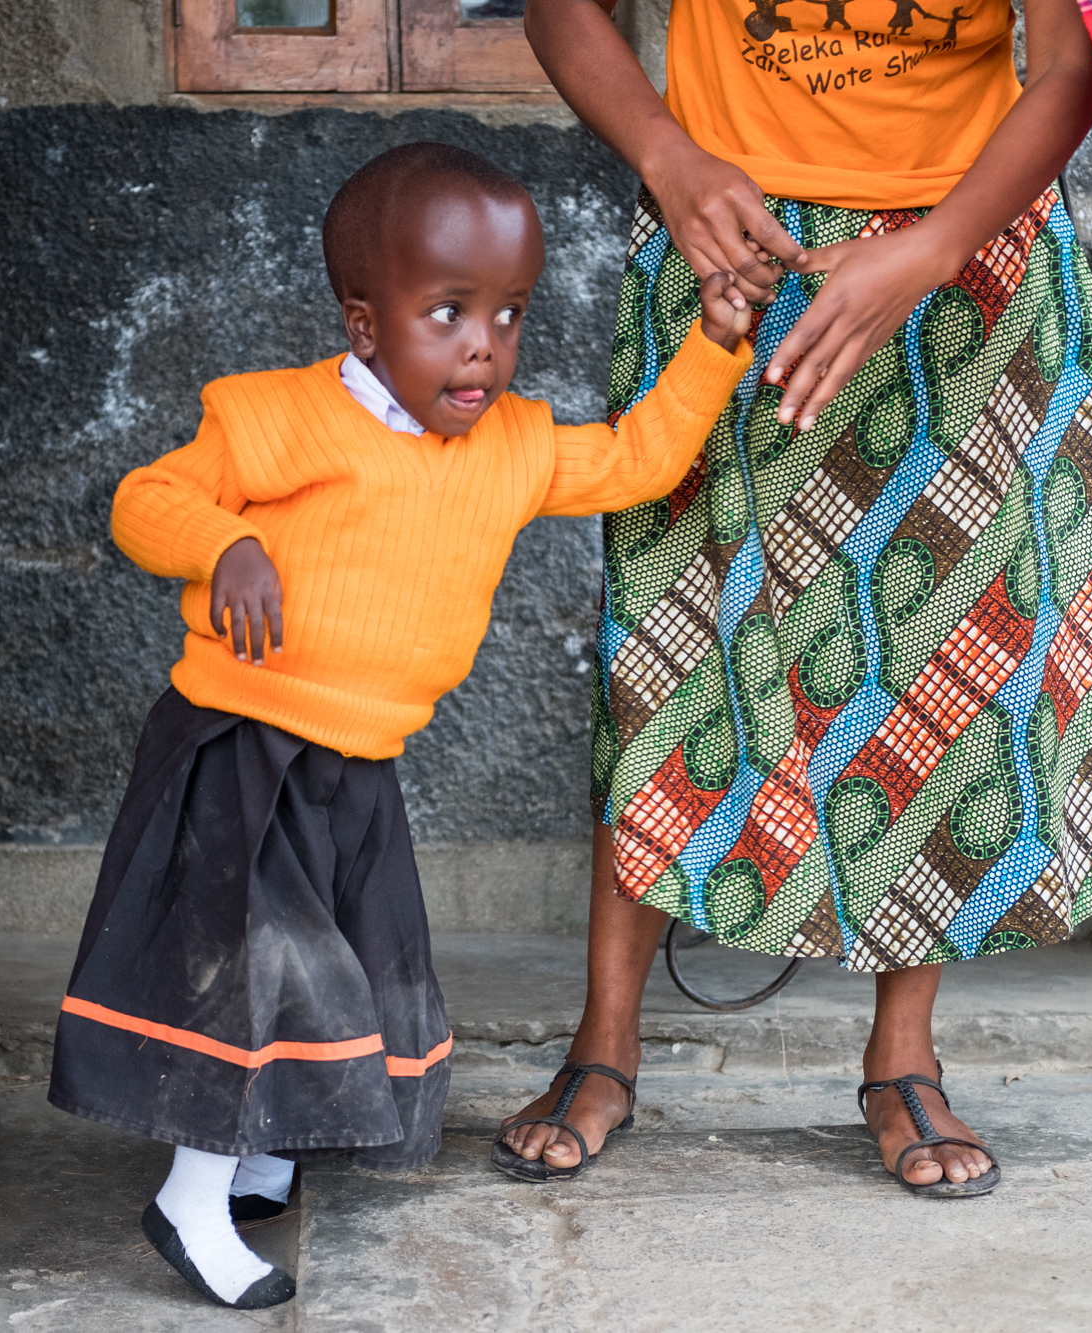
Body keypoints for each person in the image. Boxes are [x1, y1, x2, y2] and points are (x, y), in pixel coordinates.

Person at [495, 0, 1092, 1196]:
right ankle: (605, 1040)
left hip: (966, 277)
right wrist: (667, 154)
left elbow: (1067, 68)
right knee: (669, 653)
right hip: (727, 266)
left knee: (950, 658)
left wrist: (933, 246)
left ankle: (900, 1053)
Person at [46, 141, 753, 1310]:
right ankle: (188, 1194)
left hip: (358, 760)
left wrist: (715, 342)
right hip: (242, 745)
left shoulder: (515, 445)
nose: (483, 342)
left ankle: (261, 1150)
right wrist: (224, 543)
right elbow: (146, 499)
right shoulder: (278, 417)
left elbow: (638, 459)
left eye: (508, 312)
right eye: (447, 311)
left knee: (342, 973)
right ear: (364, 325)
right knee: (247, 971)